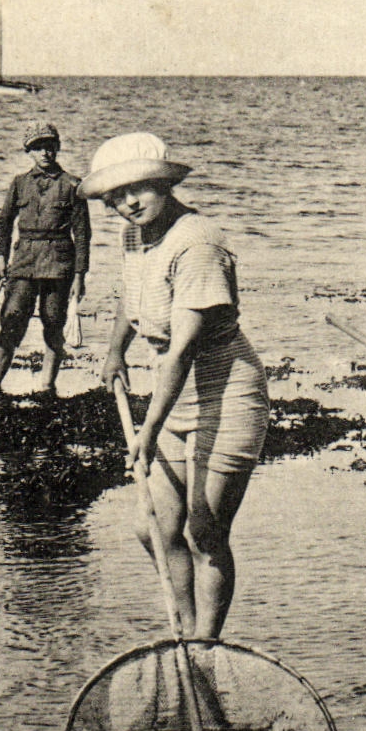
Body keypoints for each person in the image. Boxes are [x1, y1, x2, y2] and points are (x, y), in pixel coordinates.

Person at [87, 133, 268, 639]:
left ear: (164, 183)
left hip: (227, 394)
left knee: (205, 530)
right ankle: (186, 634)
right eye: (115, 196)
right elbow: (132, 292)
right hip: (176, 393)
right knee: (153, 527)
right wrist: (115, 351)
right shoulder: (135, 235)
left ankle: (207, 643)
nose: (128, 203)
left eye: (138, 189)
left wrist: (148, 429)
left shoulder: (198, 243)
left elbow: (184, 349)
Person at [0, 122, 91, 398]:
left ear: (57, 148)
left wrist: (79, 276)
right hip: (24, 263)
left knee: (54, 322)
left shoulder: (73, 185)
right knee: (12, 319)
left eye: (49, 146)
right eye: (38, 148)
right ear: (29, 152)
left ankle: (47, 387)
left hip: (59, 265)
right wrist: (0, 257)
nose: (45, 153)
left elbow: (82, 235)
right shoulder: (19, 183)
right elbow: (4, 223)